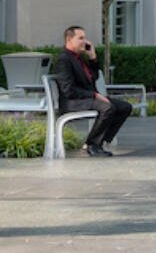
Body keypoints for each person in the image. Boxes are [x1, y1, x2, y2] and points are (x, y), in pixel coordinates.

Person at [51, 26, 134, 157]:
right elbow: (68, 90)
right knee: (107, 107)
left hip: (86, 99)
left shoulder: (78, 57)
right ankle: (93, 145)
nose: (85, 41)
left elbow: (93, 77)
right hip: (72, 102)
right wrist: (94, 95)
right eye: (80, 38)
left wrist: (92, 58)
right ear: (69, 39)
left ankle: (100, 141)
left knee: (125, 107)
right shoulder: (64, 59)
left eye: (84, 38)